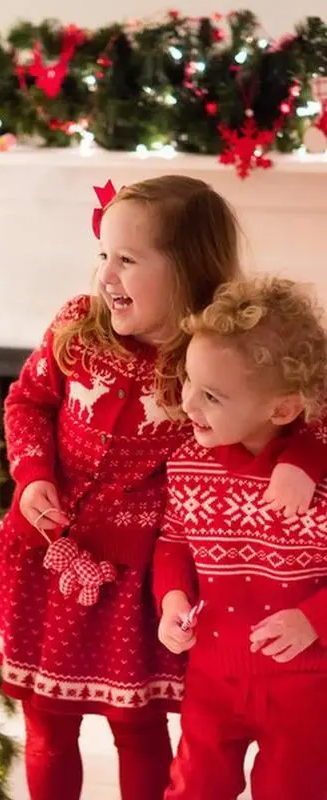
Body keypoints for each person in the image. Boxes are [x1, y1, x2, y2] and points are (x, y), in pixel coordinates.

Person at [0, 176, 326, 800]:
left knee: (135, 728)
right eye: (103, 254)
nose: (106, 274)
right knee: (46, 723)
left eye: (128, 259)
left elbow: (300, 409)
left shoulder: (214, 358)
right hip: (47, 556)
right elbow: (26, 400)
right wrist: (32, 477)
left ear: (188, 270)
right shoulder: (78, 328)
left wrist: (302, 457)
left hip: (134, 577)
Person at [156, 276, 327, 800]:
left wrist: (313, 618)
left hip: (304, 684)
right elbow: (174, 543)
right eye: (188, 381)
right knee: (193, 789)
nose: (187, 403)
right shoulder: (187, 461)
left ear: (282, 409)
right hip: (212, 674)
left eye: (210, 395)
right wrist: (171, 600)